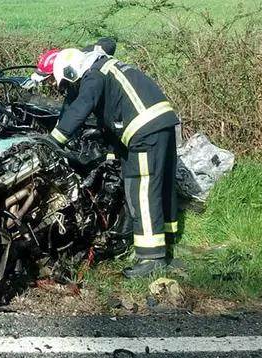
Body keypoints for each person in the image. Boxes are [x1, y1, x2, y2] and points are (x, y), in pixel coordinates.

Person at [43, 48, 181, 278]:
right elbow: (112, 118)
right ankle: (168, 246)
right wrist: (111, 157)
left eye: (67, 84)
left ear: (71, 71)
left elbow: (80, 108)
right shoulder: (106, 66)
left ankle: (151, 258)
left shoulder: (93, 75)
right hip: (160, 123)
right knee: (161, 186)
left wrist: (53, 140)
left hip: (144, 131)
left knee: (143, 190)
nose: (70, 89)